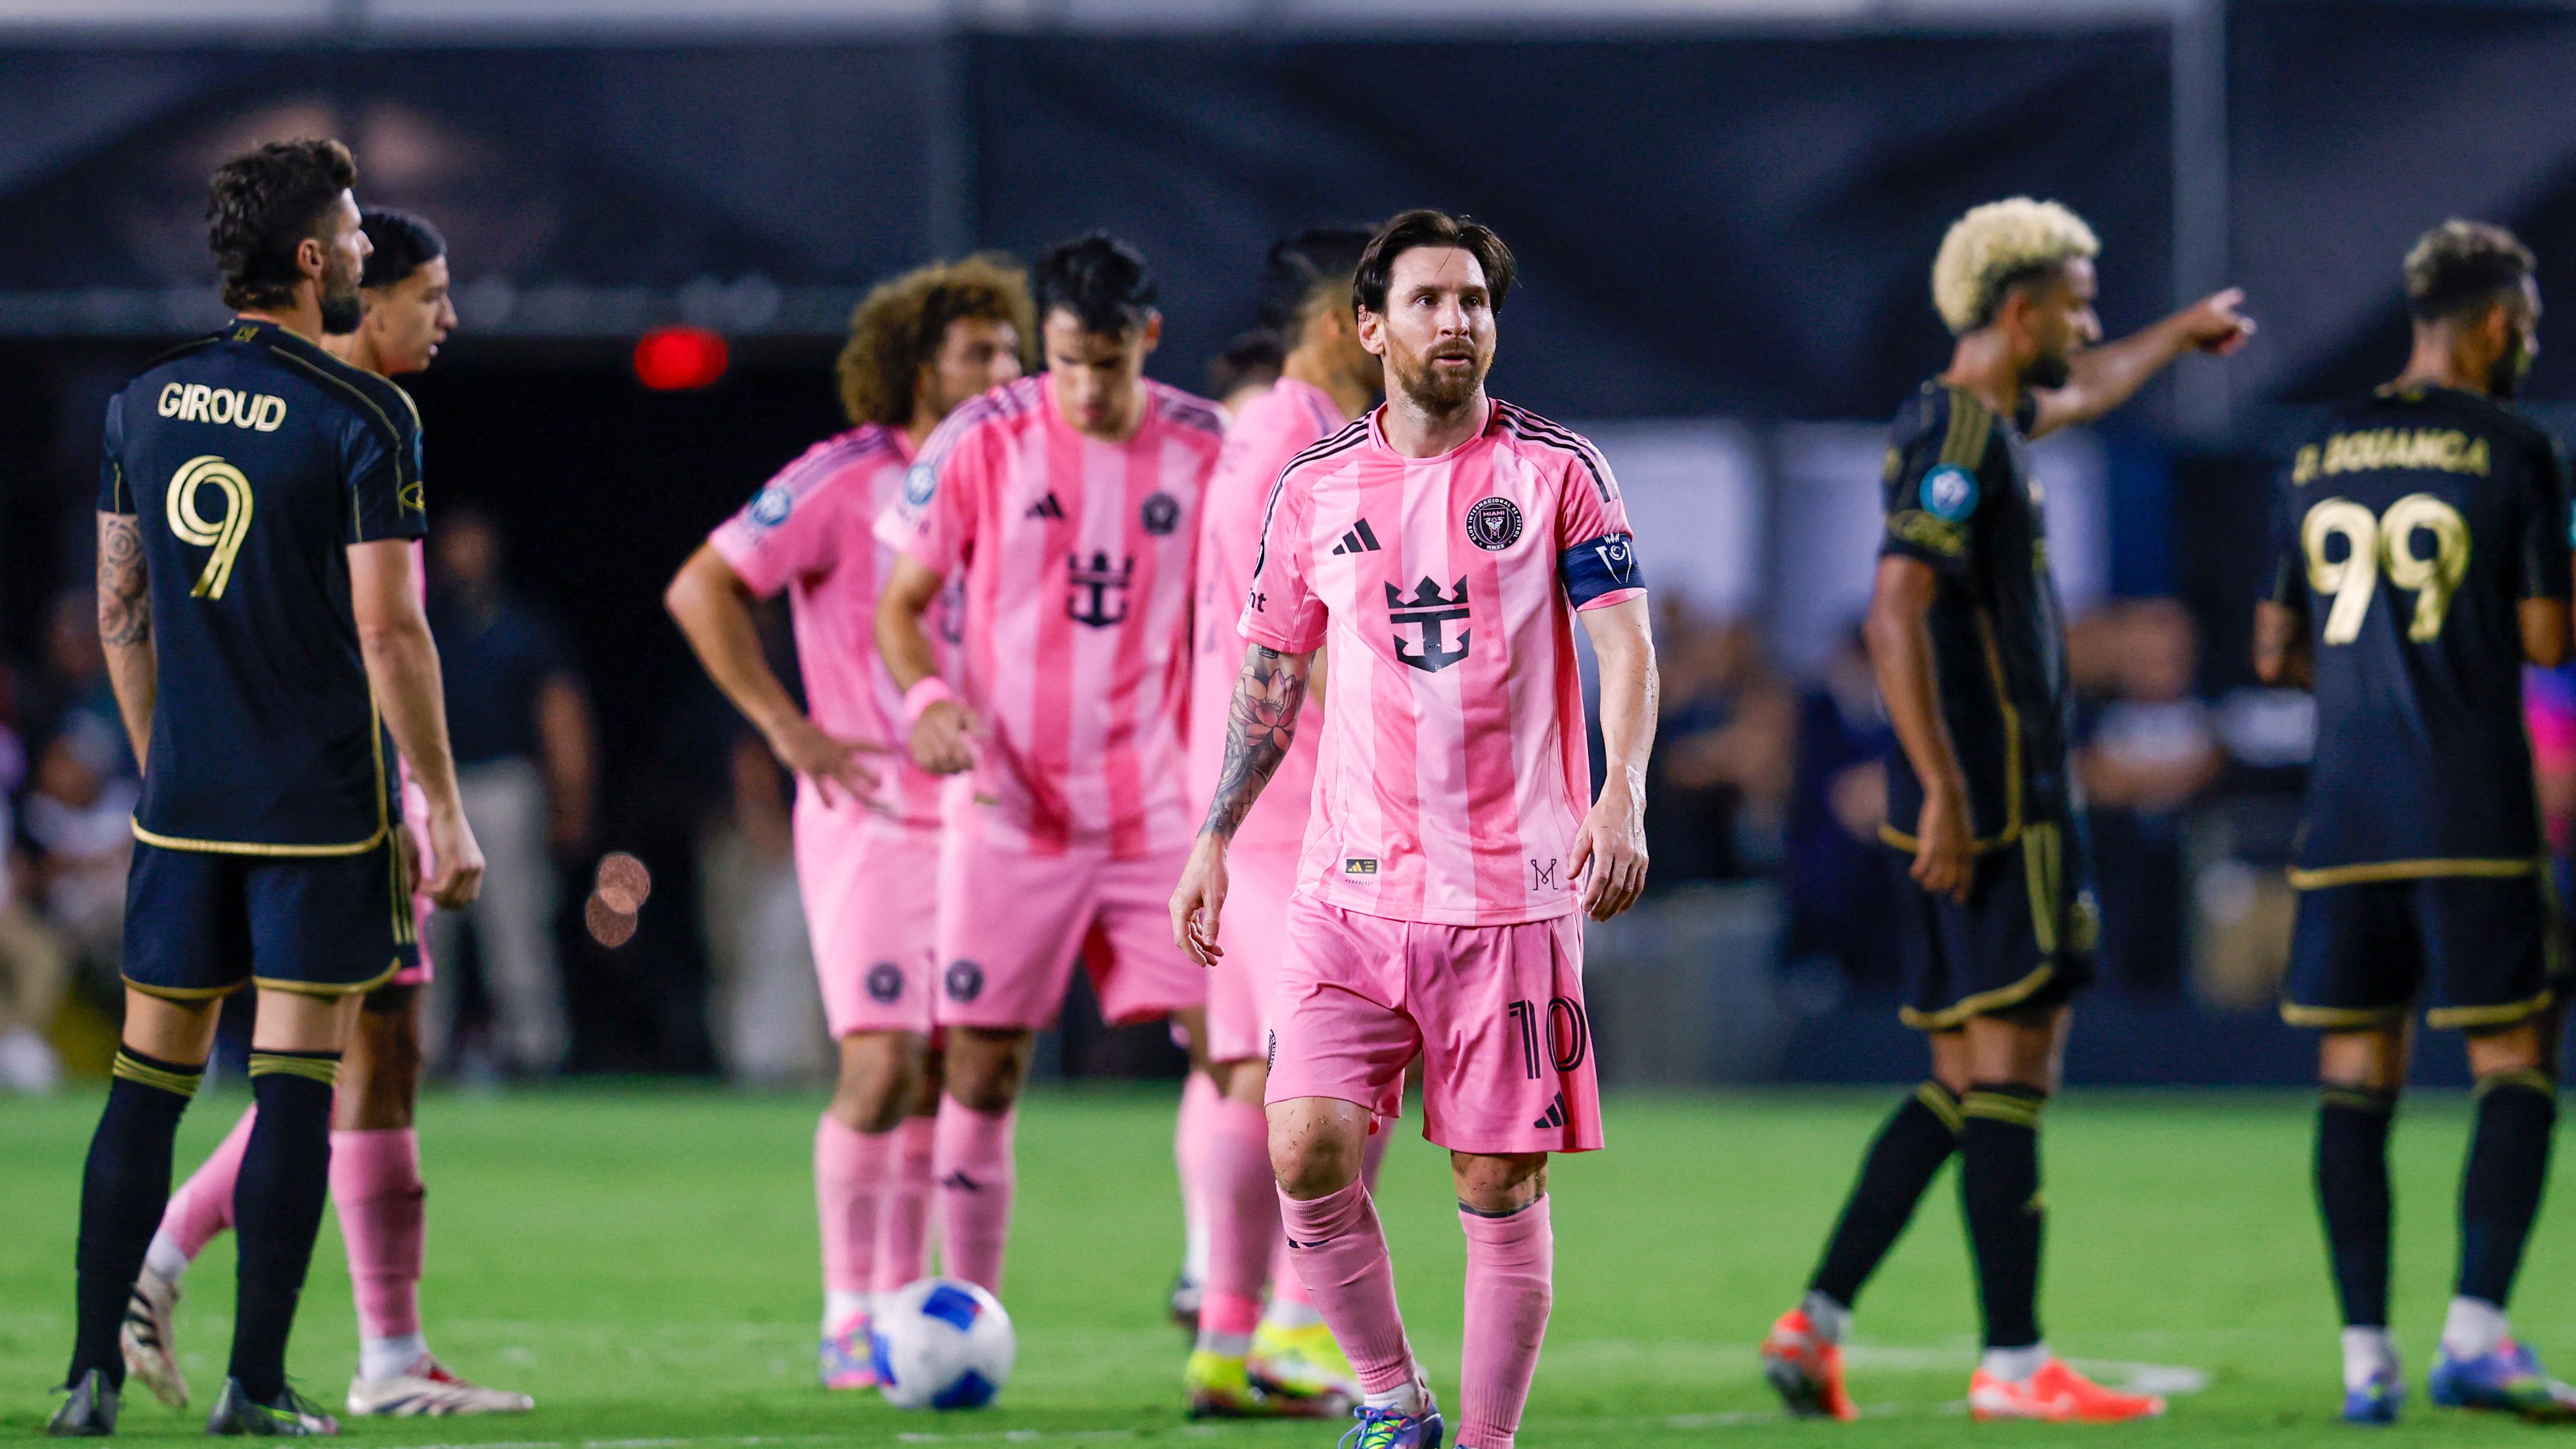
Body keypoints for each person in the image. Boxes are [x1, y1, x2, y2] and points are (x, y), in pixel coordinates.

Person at [1171, 208, 1657, 1449]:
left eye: (1474, 302)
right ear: (1367, 328)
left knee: (1495, 1182)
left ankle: (1482, 1441)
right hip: (1348, 891)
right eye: (1431, 300)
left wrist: (1622, 789)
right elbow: (1271, 675)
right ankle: (1390, 1395)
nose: (1457, 322)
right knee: (1306, 1146)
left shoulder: (1555, 471)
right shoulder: (1313, 483)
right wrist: (1216, 834)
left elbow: (1621, 644)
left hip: (1509, 895)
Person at [1759, 197, 2252, 1423]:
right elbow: (1890, 612)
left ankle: (1812, 1322)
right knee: (2015, 1071)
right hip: (1994, 810)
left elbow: (2080, 391)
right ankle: (2016, 1364)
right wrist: (1934, 786)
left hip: (1981, 803)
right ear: (2019, 307)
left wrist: (2172, 336)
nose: (2088, 326)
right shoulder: (1958, 434)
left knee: (1958, 1080)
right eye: (2077, 303)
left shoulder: (1975, 420)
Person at [49, 138, 485, 1438]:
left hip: (182, 809)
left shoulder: (144, 403)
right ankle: (252, 1387)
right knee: (298, 1085)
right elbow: (392, 633)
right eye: (352, 234)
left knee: (146, 1084)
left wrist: (161, 752)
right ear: (310, 259)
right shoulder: (365, 418)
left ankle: (87, 1380)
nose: (364, 249)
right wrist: (447, 810)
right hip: (317, 813)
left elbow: (120, 609)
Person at [665, 254, 1031, 1388]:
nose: (1002, 372)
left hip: (983, 822)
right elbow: (702, 586)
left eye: (1012, 352)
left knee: (943, 1068)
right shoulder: (842, 477)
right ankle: (846, 1310)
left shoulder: (1029, 481)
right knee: (877, 1064)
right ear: (915, 366)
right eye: (978, 353)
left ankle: (906, 1305)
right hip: (871, 815)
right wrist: (789, 730)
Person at [2254, 219, 2576, 1423]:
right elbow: (2548, 639)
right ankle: (2475, 1337)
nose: (2526, 347)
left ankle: (2360, 1362)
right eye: (2525, 327)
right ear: (2492, 322)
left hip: (2341, 810)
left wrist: (2360, 693)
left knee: (2351, 1071)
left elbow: (2273, 647)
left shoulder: (2314, 447)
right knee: (2511, 1059)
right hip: (2468, 801)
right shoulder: (2511, 446)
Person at [873, 232, 1226, 1299]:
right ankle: (964, 1304)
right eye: (1066, 358)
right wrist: (931, 699)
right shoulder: (983, 436)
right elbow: (899, 607)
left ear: (1145, 341)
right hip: (1010, 812)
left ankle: (1227, 1290)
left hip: (1159, 813)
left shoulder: (1208, 449)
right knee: (979, 1066)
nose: (1083, 385)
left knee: (1239, 1049)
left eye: (1106, 362)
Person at [1178, 226, 1383, 1419]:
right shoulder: (1296, 442)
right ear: (1331, 328)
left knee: (1248, 1078)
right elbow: (1291, 631)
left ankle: (1225, 1334)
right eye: (1380, 315)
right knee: (1340, 1075)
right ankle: (1303, 1323)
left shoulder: (1262, 434)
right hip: (1304, 805)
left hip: (1257, 803)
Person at [422, 506, 594, 1077]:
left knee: (515, 922)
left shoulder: (525, 627)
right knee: (425, 925)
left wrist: (570, 797)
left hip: (504, 784)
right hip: (432, 785)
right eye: (457, 544)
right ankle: (418, 1048)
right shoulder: (424, 620)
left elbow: (560, 712)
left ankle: (534, 1048)